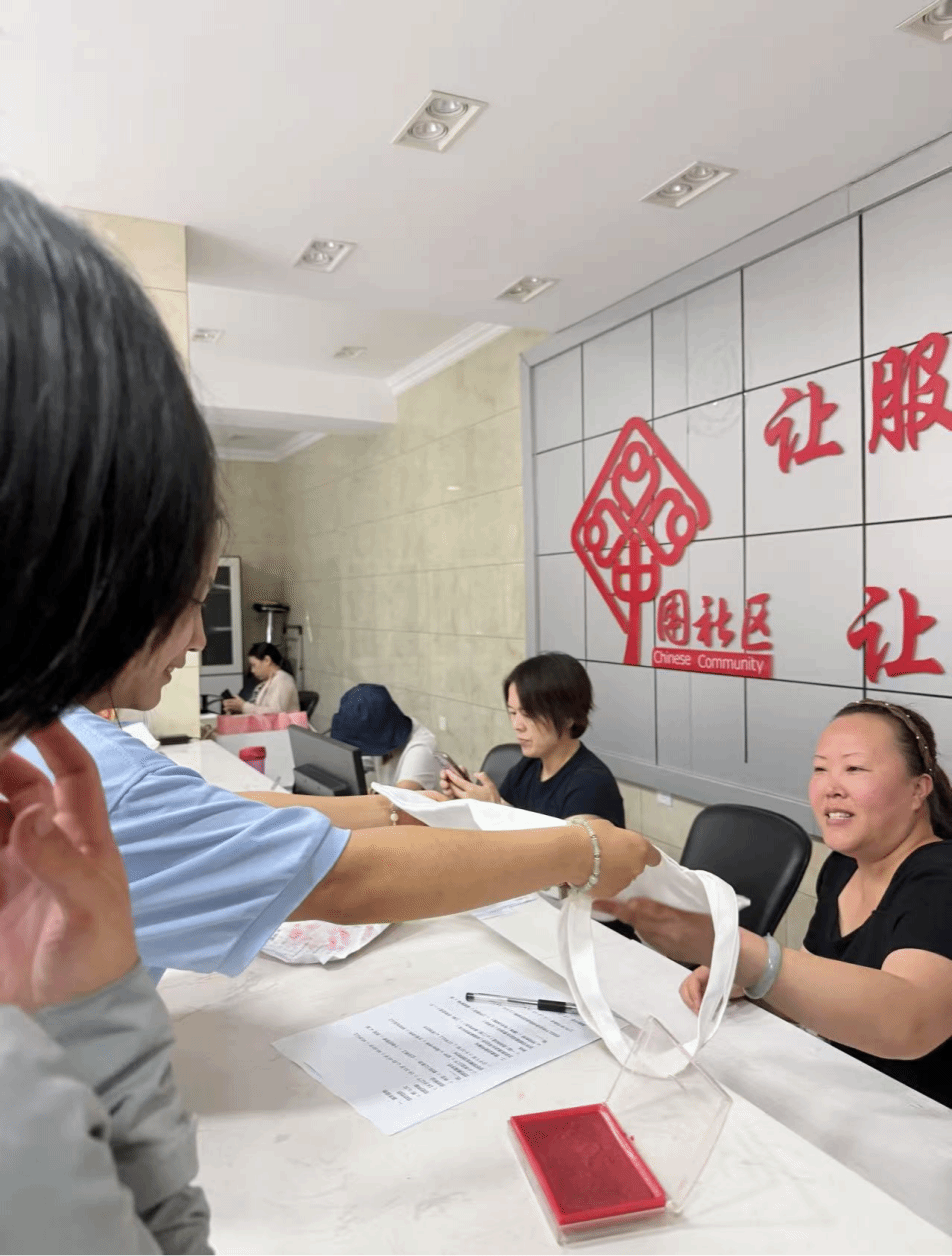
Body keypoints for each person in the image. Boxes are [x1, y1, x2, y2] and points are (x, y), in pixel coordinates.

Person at [1, 179, 660, 1250]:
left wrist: (411, 811)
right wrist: (577, 847)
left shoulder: (62, 764)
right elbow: (330, 869)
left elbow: (255, 828)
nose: (193, 640)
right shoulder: (74, 774)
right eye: (178, 591)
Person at [596, 700, 952, 1109]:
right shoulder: (843, 866)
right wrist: (748, 982)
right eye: (820, 769)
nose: (832, 786)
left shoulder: (941, 877)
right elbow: (822, 984)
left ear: (918, 789)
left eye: (854, 768)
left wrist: (743, 953)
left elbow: (909, 1021)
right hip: (843, 1096)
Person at [441, 652, 625, 826]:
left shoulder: (591, 783)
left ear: (568, 717)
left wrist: (493, 811)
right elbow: (510, 813)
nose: (517, 725)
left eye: (529, 714)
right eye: (513, 713)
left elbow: (564, 847)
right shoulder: (528, 766)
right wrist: (468, 802)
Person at [330, 683, 440, 790]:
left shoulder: (421, 748)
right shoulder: (377, 729)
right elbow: (346, 767)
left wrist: (366, 793)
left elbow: (399, 798)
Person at [222, 642, 299, 715]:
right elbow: (258, 711)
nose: (252, 670)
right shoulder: (264, 684)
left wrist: (243, 707)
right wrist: (239, 709)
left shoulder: (282, 680)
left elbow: (275, 714)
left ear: (267, 660)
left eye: (253, 665)